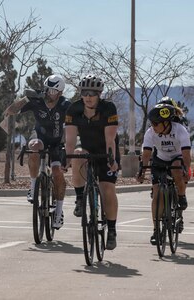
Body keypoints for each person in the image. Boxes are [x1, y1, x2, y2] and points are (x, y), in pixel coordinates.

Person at [4, 75, 71, 229]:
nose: (49, 93)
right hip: (39, 137)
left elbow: (74, 124)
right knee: (33, 146)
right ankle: (33, 186)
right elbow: (10, 111)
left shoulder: (65, 104)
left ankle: (59, 211)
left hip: (57, 142)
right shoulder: (37, 100)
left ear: (60, 93)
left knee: (56, 171)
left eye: (53, 91)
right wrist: (25, 99)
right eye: (47, 89)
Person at [63, 74, 120, 250]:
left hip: (106, 151)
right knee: (78, 155)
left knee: (107, 189)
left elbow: (110, 139)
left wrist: (111, 159)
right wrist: (67, 158)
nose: (88, 96)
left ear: (99, 94)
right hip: (87, 150)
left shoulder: (108, 108)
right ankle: (80, 198)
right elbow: (71, 140)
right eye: (85, 92)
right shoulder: (74, 109)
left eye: (92, 93)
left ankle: (111, 229)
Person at [136, 103, 191, 245]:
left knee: (176, 167)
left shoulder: (180, 130)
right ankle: (156, 230)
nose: (153, 126)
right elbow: (147, 153)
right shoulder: (151, 132)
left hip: (177, 158)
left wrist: (187, 170)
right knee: (156, 195)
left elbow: (186, 154)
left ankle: (181, 196)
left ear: (166, 123)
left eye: (156, 123)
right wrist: (142, 171)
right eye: (152, 123)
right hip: (160, 159)